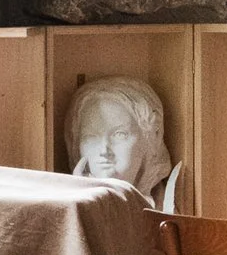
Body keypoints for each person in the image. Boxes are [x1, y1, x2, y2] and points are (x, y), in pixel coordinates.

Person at [63, 75, 174, 203]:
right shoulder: (70, 206)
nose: (104, 150)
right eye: (91, 137)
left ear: (150, 138)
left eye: (120, 134)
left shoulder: (165, 207)